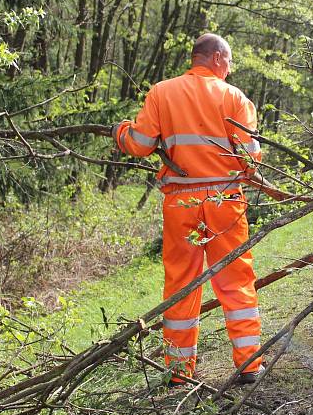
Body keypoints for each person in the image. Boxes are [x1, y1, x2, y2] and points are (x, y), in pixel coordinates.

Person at [112, 33, 265, 386]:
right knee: (235, 280)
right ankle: (249, 363)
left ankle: (179, 371)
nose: (229, 69)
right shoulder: (235, 98)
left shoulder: (162, 93)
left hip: (181, 202)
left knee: (182, 283)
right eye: (228, 62)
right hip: (225, 201)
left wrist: (120, 132)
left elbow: (140, 144)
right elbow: (249, 158)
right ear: (216, 59)